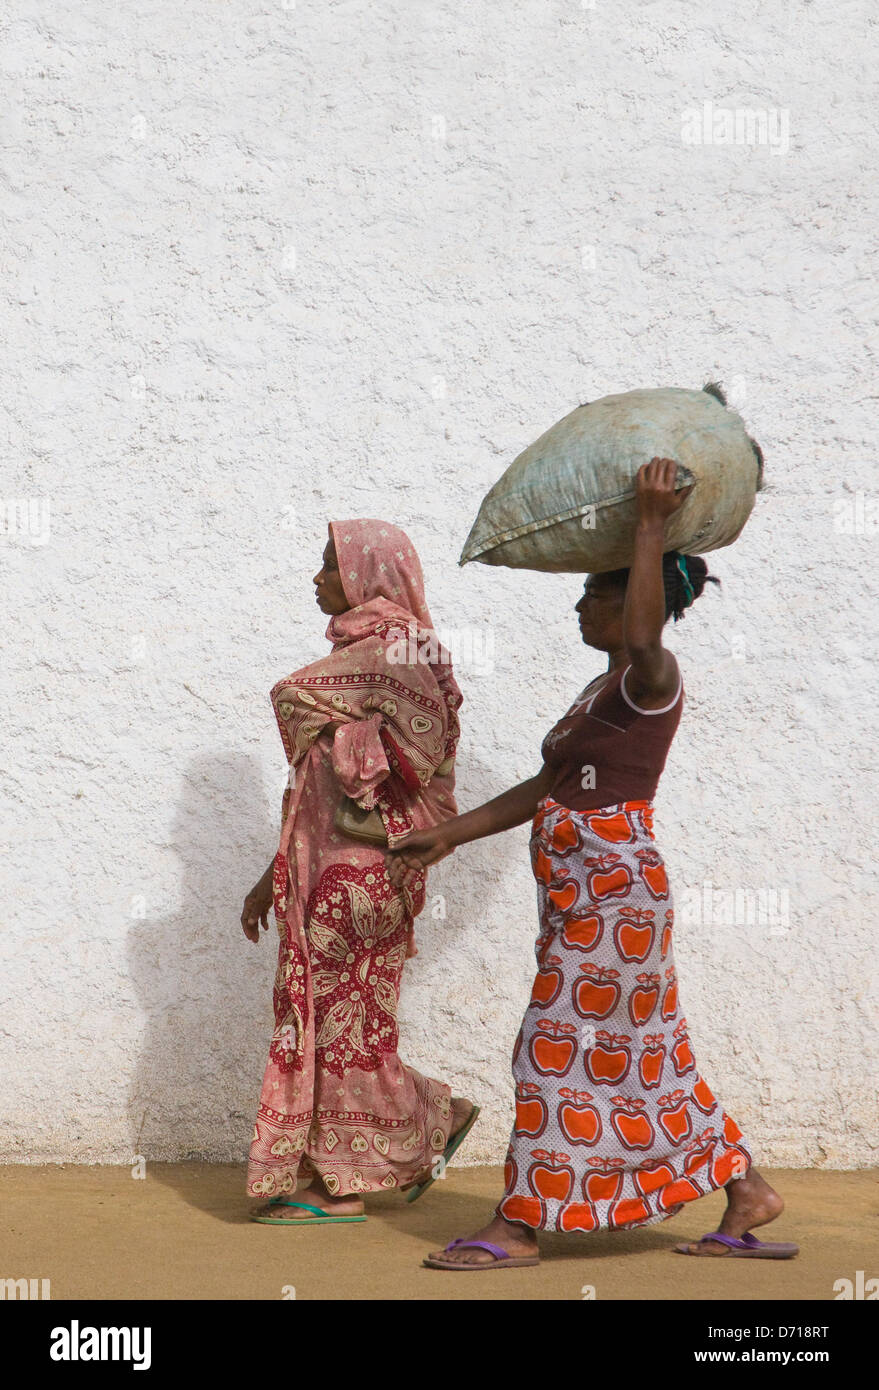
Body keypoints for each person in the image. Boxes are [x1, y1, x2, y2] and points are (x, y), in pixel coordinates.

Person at [388, 459, 797, 1268]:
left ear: (639, 601)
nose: (581, 606)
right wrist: (451, 834)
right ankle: (744, 1190)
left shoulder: (653, 675)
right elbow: (547, 783)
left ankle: (518, 1224)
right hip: (583, 895)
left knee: (551, 1046)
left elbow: (645, 634)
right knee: (646, 1051)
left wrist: (649, 522)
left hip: (614, 894)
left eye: (596, 595)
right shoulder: (597, 691)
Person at [242, 519, 478, 1224]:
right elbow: (309, 791)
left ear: (370, 574)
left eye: (329, 567)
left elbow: (424, 753)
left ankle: (339, 1185)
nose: (316, 579)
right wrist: (272, 872)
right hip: (319, 865)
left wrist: (345, 736)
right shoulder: (363, 651)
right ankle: (427, 1115)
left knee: (343, 1020)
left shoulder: (402, 646)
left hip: (369, 869)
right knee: (327, 1014)